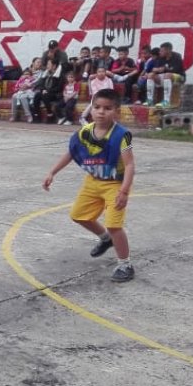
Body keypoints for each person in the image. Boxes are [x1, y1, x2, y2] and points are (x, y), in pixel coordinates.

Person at [43, 88, 136, 282]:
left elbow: (129, 165)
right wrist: (52, 172)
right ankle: (105, 239)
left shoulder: (121, 135)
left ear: (116, 112)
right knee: (78, 215)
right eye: (97, 107)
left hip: (114, 184)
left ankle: (125, 264)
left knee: (114, 224)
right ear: (90, 109)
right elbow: (71, 153)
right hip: (93, 182)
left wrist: (124, 191)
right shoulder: (84, 133)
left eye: (108, 108)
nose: (101, 111)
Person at [146, 42, 186, 108]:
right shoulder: (160, 58)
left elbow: (176, 70)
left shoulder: (177, 57)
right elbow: (155, 70)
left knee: (167, 75)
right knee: (150, 75)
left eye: (162, 51)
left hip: (179, 77)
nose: (160, 52)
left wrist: (163, 69)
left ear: (168, 50)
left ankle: (166, 101)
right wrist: (158, 70)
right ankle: (150, 100)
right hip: (165, 77)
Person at [34, 58, 63, 124]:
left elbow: (59, 88)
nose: (47, 66)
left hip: (55, 94)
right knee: (37, 95)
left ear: (54, 66)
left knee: (45, 95)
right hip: (45, 92)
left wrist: (48, 91)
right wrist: (43, 89)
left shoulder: (60, 75)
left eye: (49, 64)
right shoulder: (46, 73)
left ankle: (50, 115)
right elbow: (41, 84)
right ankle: (37, 115)